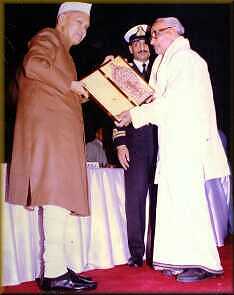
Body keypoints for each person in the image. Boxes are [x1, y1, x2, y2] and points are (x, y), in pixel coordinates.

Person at [115, 17, 231, 282]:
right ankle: (179, 259)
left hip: (187, 143)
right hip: (172, 143)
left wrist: (134, 114)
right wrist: (117, 74)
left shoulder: (188, 60)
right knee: (172, 203)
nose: (151, 41)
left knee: (188, 202)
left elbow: (172, 102)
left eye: (154, 35)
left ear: (170, 32)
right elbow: (148, 96)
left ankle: (204, 262)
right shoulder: (166, 62)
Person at [6, 2, 97, 292]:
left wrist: (81, 91)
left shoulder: (66, 54)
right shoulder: (48, 36)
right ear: (61, 20)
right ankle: (54, 273)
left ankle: (60, 266)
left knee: (62, 201)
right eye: (78, 23)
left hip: (60, 135)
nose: (82, 30)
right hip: (50, 134)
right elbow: (33, 65)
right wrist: (71, 85)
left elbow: (60, 85)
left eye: (86, 27)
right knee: (56, 199)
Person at [112, 24, 158, 267]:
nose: (142, 47)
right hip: (135, 144)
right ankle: (137, 254)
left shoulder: (162, 68)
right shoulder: (122, 72)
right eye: (136, 43)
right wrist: (120, 143)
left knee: (162, 198)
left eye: (145, 42)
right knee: (135, 199)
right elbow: (114, 109)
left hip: (163, 143)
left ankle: (158, 251)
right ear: (130, 47)